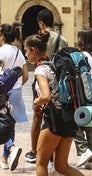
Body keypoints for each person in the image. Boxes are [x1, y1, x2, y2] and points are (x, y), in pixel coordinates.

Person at [24, 30, 92, 176]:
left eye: (27, 51)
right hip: (69, 118)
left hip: (54, 120)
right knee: (61, 166)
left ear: (34, 51)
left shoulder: (41, 70)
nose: (26, 55)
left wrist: (36, 101)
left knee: (40, 162)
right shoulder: (54, 65)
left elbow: (46, 96)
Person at [24, 8, 69, 163]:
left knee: (38, 114)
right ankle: (54, 150)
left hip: (43, 77)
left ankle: (34, 150)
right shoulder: (62, 40)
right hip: (58, 81)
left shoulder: (39, 38)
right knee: (56, 111)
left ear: (41, 23)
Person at [0, 23, 28, 171]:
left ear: (2, 36)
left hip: (2, 93)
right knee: (11, 126)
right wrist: (17, 85)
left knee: (0, 123)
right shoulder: (19, 52)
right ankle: (5, 158)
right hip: (16, 92)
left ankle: (11, 148)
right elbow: (26, 75)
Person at [74, 28, 92, 169]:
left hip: (84, 94)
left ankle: (83, 150)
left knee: (77, 121)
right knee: (90, 124)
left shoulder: (82, 56)